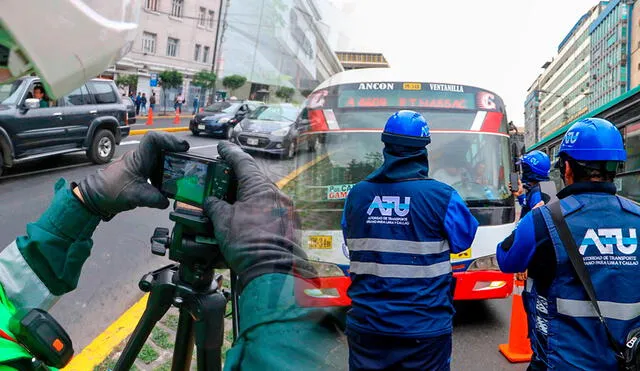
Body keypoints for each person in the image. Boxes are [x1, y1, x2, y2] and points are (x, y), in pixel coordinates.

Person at [496, 118, 640, 370]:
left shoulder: (543, 219)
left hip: (560, 361)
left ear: (567, 168)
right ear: (616, 166)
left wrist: (529, 218)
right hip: (627, 360)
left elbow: (506, 260)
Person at [342, 110, 479, 371]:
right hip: (423, 326)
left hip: (368, 326)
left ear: (385, 146)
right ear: (423, 149)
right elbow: (463, 241)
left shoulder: (357, 195)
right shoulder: (442, 196)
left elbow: (351, 241)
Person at [512, 150, 551, 219]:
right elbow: (528, 206)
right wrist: (520, 195)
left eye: (524, 168)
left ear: (528, 170)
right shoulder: (546, 188)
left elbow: (534, 224)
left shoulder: (537, 194)